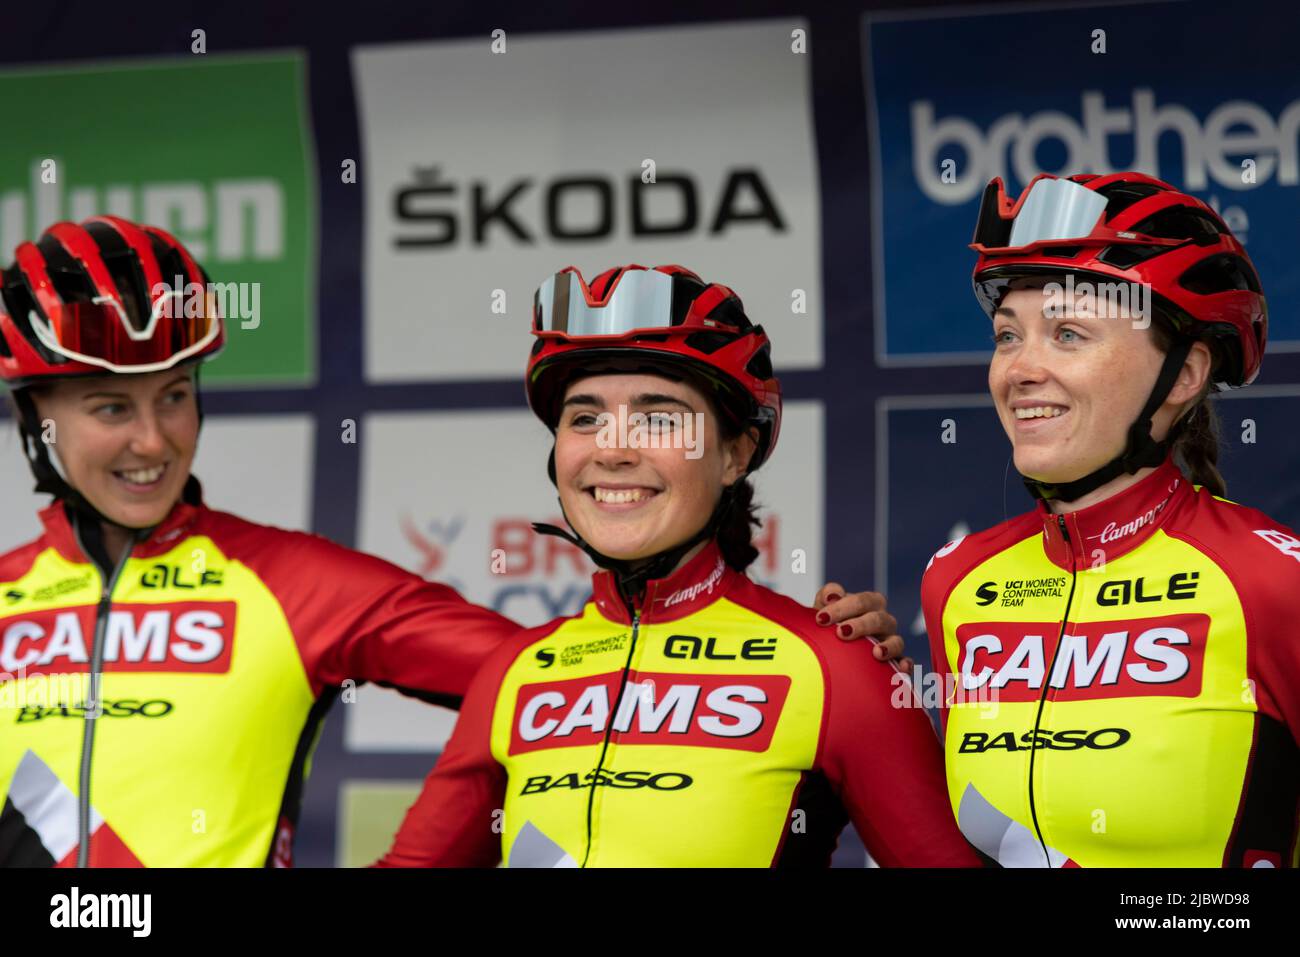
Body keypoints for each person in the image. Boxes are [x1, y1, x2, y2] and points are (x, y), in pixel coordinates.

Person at [0, 218, 898, 868]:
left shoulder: (295, 581)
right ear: (35, 420)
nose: (154, 440)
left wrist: (812, 658)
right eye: (112, 406)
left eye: (177, 394)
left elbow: (563, 672)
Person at [377, 264, 981, 867]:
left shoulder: (835, 662)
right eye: (584, 417)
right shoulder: (514, 670)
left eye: (659, 418)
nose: (612, 450)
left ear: (735, 453)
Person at [920, 172, 1299, 866]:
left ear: (1184, 376)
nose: (1019, 369)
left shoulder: (1271, 580)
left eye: (1067, 332)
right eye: (1008, 335)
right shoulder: (958, 581)